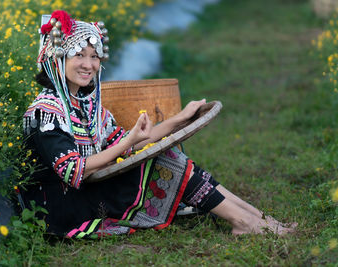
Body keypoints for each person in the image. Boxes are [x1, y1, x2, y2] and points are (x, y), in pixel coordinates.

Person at [21, 10, 296, 238]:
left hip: (90, 188)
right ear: (57, 59)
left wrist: (179, 119)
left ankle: (255, 217)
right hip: (63, 206)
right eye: (78, 55)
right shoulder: (46, 112)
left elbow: (130, 142)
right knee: (164, 162)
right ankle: (247, 223)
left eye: (94, 56)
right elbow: (72, 171)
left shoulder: (87, 105)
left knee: (170, 153)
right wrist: (129, 143)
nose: (88, 64)